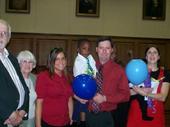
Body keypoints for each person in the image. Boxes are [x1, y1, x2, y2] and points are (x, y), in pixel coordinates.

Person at [86, 36, 130, 127]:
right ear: (96, 49)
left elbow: (125, 95)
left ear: (112, 50)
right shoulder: (89, 67)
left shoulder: (119, 70)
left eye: (107, 48)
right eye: (101, 48)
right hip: (90, 115)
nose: (104, 51)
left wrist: (105, 98)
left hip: (108, 116)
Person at [127, 46, 170, 127]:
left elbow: (163, 97)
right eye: (149, 52)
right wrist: (137, 91)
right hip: (136, 112)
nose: (152, 55)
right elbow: (126, 93)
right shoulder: (135, 70)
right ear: (146, 57)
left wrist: (144, 93)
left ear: (158, 57)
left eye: (155, 52)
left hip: (156, 113)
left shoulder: (166, 74)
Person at [0, 19, 29, 127]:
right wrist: (10, 114)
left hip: (18, 117)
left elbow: (24, 87)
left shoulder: (12, 59)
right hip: (4, 120)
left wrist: (22, 111)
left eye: (4, 33)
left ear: (9, 38)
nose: (1, 36)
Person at [35, 48, 73, 127]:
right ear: (51, 61)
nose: (61, 62)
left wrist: (70, 117)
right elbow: (39, 103)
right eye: (57, 59)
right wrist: (38, 125)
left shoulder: (67, 77)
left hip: (65, 121)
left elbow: (69, 99)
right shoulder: (43, 76)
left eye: (63, 59)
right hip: (49, 122)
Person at [72, 38, 97, 127]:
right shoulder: (78, 61)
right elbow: (78, 76)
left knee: (86, 105)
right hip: (81, 85)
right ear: (78, 49)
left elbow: (94, 68)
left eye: (89, 49)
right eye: (84, 48)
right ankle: (77, 121)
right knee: (80, 104)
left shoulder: (90, 58)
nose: (87, 51)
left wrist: (95, 76)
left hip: (90, 84)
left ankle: (84, 121)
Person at [17, 50, 37, 127]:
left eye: (30, 62)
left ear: (33, 65)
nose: (27, 64)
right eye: (24, 61)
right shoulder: (14, 78)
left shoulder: (34, 78)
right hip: (17, 119)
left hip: (32, 118)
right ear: (19, 64)